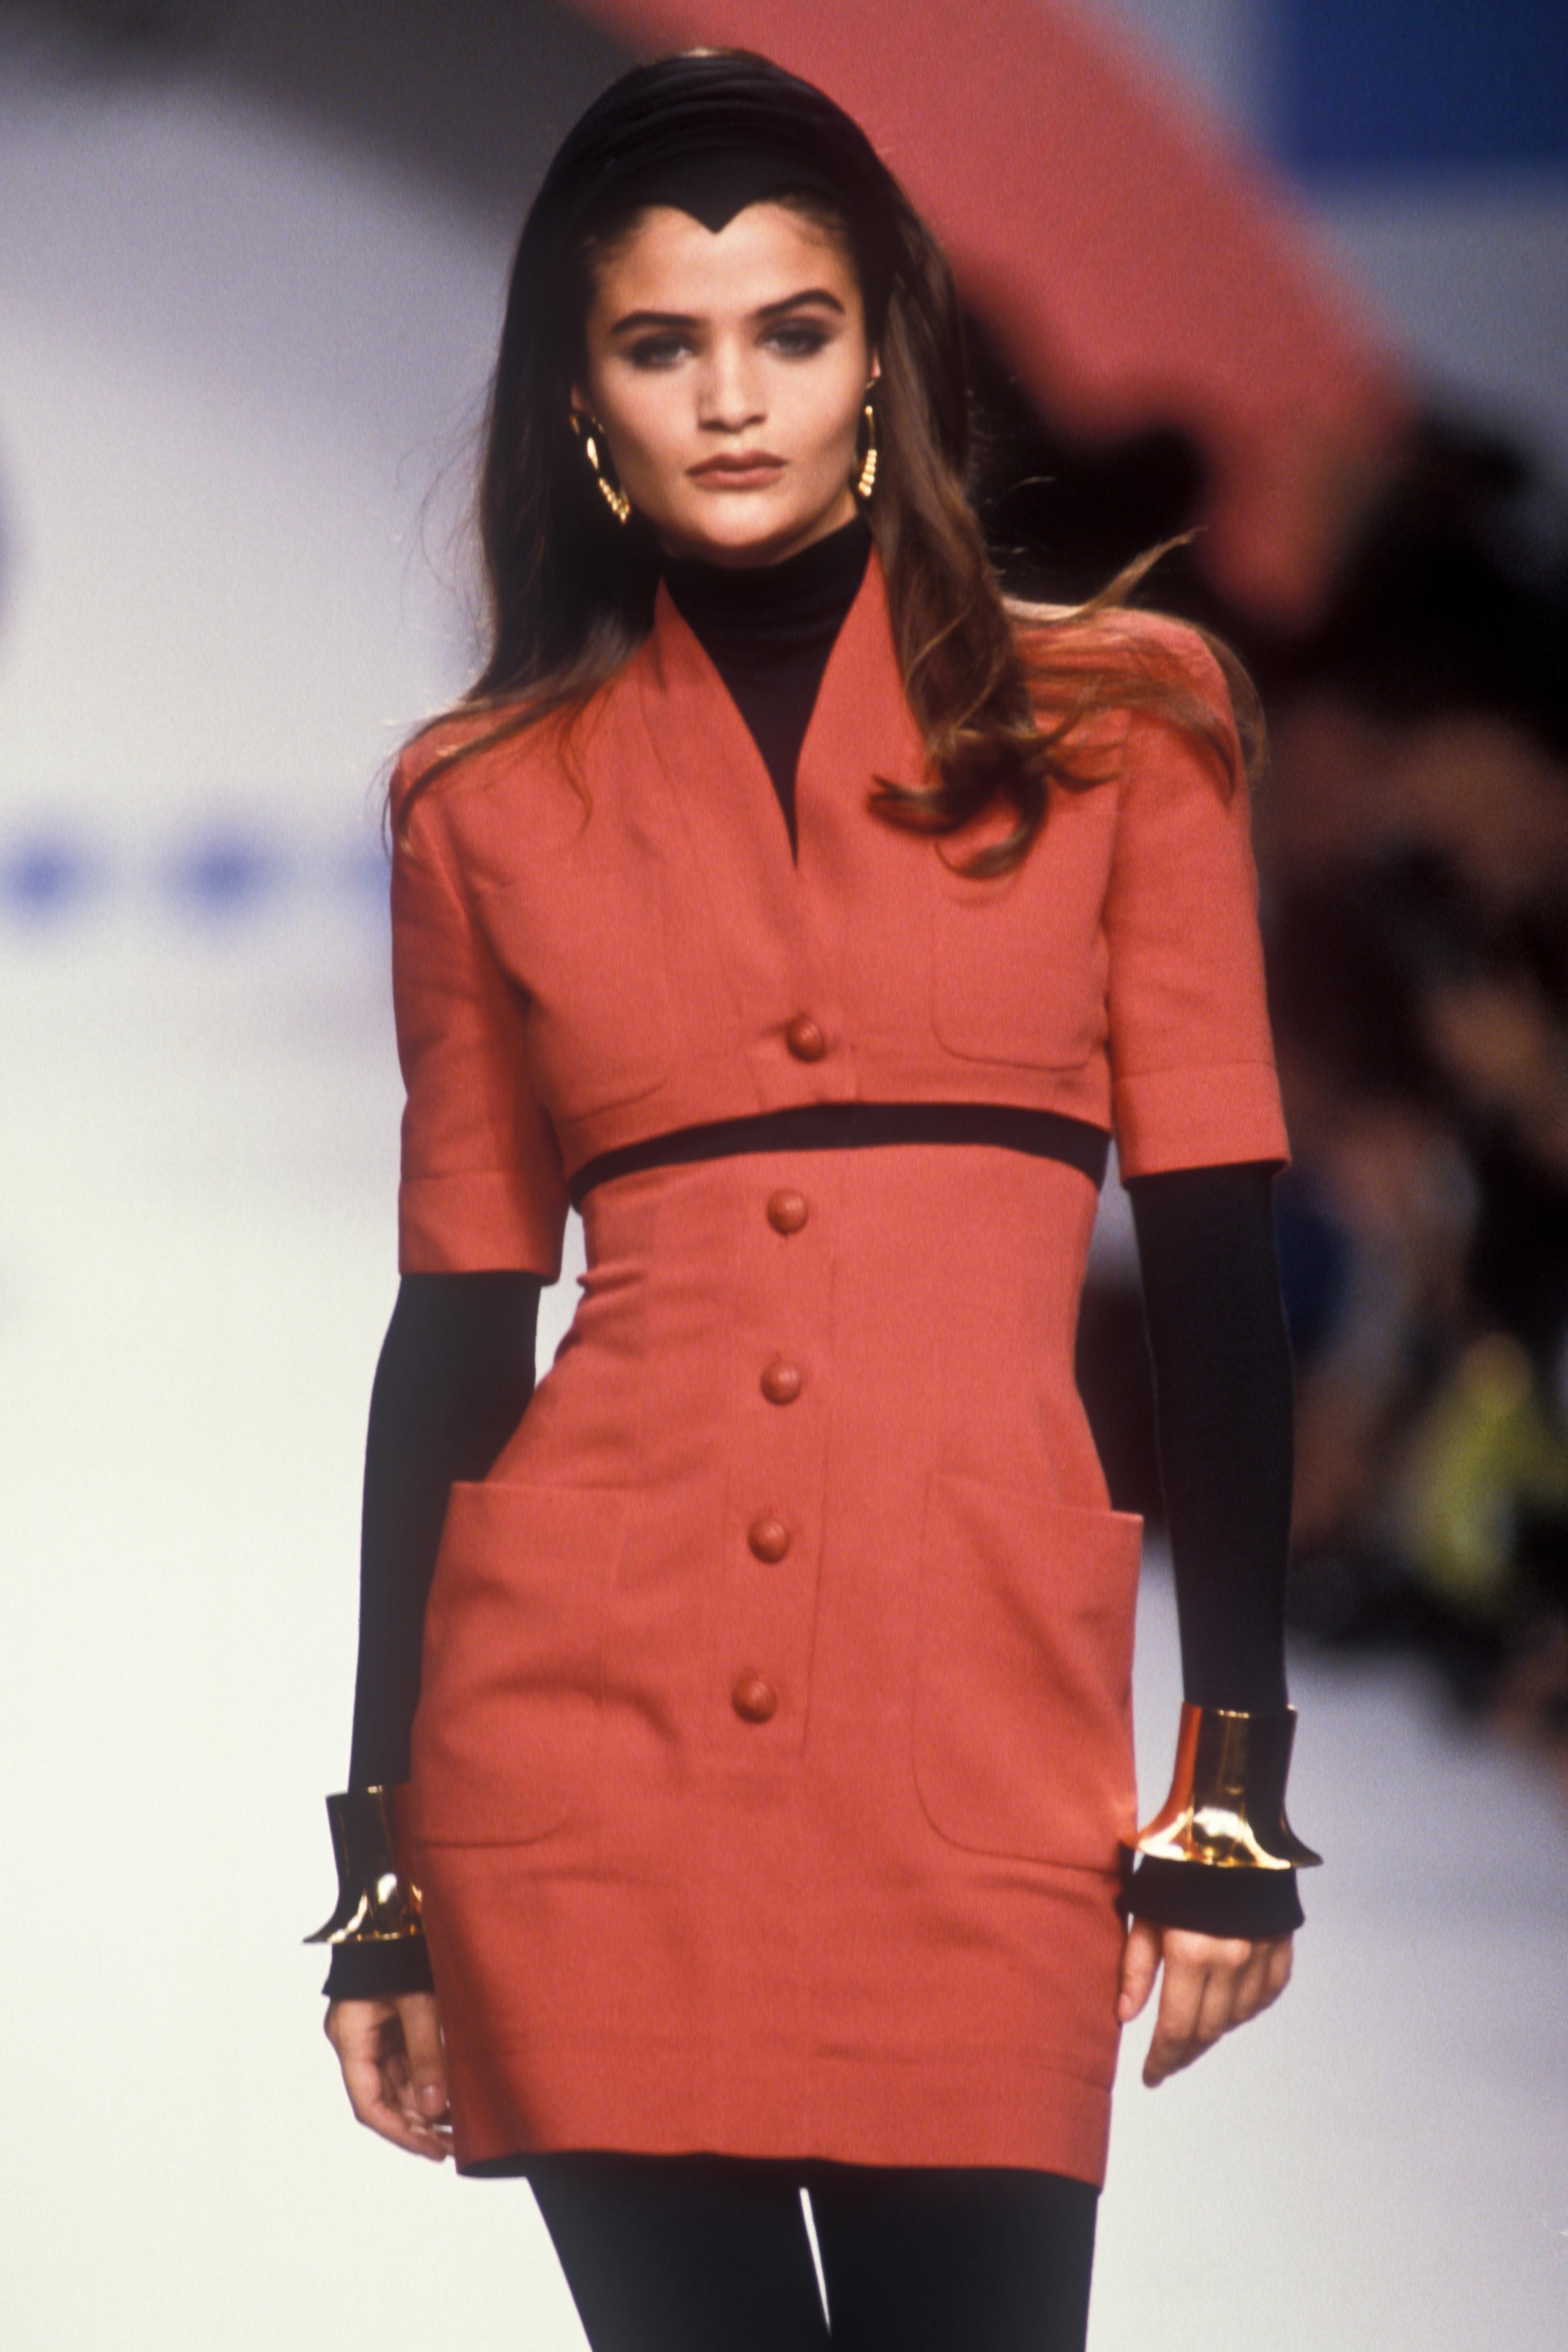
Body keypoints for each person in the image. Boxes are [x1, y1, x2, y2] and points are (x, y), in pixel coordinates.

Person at [305, 48, 1319, 2352]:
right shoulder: (481, 800)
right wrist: (381, 1855)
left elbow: (1217, 1279)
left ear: (882, 356)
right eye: (660, 345)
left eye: (791, 329)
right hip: (580, 1754)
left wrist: (1228, 1787)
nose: (732, 397)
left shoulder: (1125, 731)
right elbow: (454, 1336)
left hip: (974, 1746)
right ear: (578, 398)